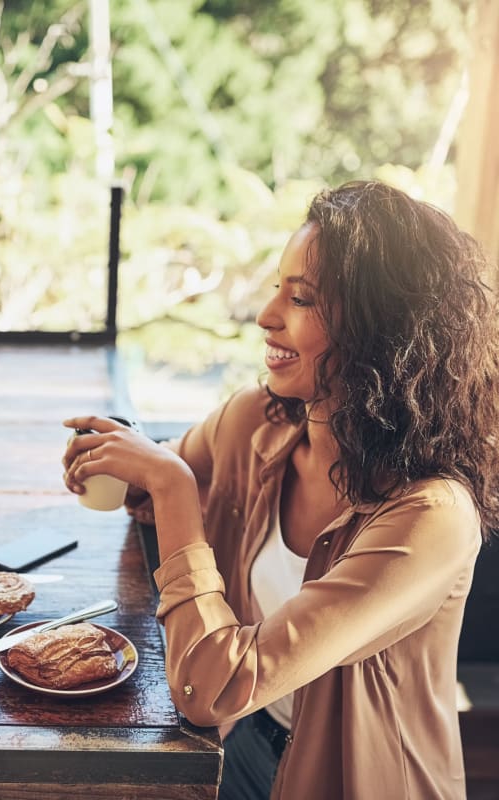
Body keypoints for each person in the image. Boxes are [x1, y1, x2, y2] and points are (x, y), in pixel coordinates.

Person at [63, 180, 499, 799]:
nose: (267, 316)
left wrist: (174, 488)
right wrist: (117, 457)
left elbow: (209, 691)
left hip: (356, 782)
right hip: (246, 744)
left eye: (302, 299)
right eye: (277, 288)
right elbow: (153, 483)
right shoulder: (257, 421)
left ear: (383, 331)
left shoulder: (430, 517)